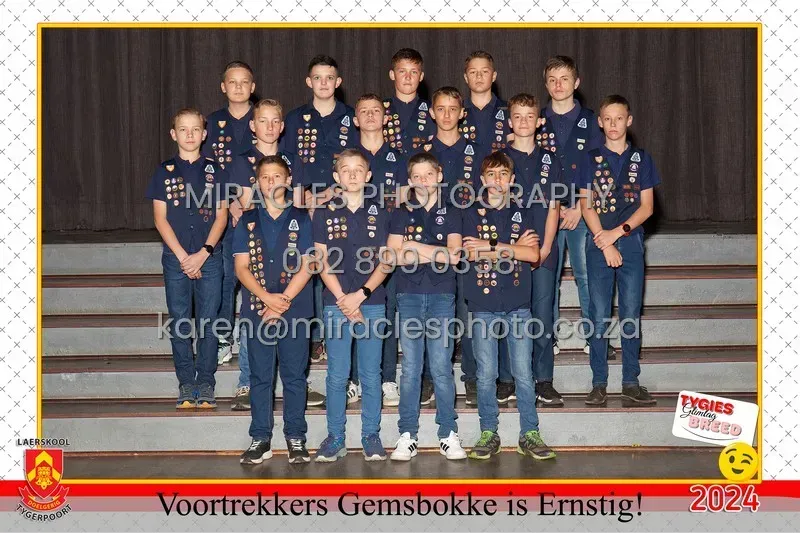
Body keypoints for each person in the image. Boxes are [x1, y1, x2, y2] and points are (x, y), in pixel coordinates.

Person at [228, 99, 325, 410]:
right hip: (258, 242)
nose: (269, 127)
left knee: (293, 320)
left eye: (275, 121)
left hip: (289, 243)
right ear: (253, 125)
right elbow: (248, 206)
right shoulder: (243, 161)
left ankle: (298, 381)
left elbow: (298, 204)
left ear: (282, 127)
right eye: (263, 121)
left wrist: (295, 225)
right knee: (253, 311)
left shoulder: (292, 160)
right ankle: (247, 381)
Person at [461, 151, 556, 461]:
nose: (497, 180)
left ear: (512, 180)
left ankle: (529, 433)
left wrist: (491, 246)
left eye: (503, 174)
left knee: (524, 373)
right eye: (491, 175)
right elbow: (469, 254)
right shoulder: (471, 214)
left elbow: (534, 255)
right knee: (486, 374)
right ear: (482, 179)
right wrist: (513, 248)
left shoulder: (523, 212)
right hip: (483, 303)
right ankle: (489, 432)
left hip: (518, 303)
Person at [579, 95, 660, 407]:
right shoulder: (590, 158)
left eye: (619, 118)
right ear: (600, 122)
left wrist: (617, 234)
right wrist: (605, 240)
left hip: (629, 243)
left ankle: (630, 381)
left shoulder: (642, 159)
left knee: (630, 313)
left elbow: (647, 207)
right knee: (599, 313)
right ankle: (598, 382)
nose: (613, 124)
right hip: (598, 242)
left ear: (629, 121)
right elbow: (586, 205)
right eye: (608, 119)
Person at [281, 54, 359, 373]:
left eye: (329, 78)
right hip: (303, 203)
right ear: (308, 81)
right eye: (318, 77)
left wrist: (332, 193)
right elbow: (287, 162)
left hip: (342, 200)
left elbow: (357, 161)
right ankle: (315, 336)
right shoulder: (295, 118)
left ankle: (342, 329)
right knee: (310, 266)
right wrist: (304, 197)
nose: (324, 83)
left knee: (338, 265)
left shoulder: (351, 117)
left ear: (338, 82)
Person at [145, 108, 228, 409]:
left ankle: (205, 381)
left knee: (208, 321)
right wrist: (184, 257)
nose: (190, 134)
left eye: (195, 129)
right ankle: (185, 382)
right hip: (175, 259)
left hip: (210, 258)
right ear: (173, 134)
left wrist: (203, 254)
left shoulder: (217, 171)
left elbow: (222, 215)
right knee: (180, 321)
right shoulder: (163, 171)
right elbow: (160, 218)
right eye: (183, 129)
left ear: (204, 134)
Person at [312, 149, 391, 462]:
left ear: (368, 175)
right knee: (337, 374)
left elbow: (387, 260)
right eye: (346, 169)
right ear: (336, 177)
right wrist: (344, 299)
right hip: (335, 303)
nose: (353, 174)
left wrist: (360, 295)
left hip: (372, 302)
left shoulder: (382, 211)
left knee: (371, 373)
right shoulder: (324, 212)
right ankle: (336, 437)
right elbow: (320, 260)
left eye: (359, 169)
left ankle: (371, 435)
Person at [235, 156, 314, 464]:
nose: (271, 182)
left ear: (288, 180)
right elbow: (242, 268)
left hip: (294, 310)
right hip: (258, 308)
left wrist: (283, 301)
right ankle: (261, 437)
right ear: (257, 182)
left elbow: (309, 265)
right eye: (265, 177)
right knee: (260, 376)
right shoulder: (247, 220)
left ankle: (296, 436)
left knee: (294, 375)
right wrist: (267, 298)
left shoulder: (302, 218)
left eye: (277, 176)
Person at [387, 152, 467, 461]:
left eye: (428, 175)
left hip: (441, 295)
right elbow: (393, 257)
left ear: (439, 176)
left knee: (441, 366)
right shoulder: (400, 212)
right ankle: (407, 434)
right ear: (409, 181)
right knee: (410, 368)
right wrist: (436, 252)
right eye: (417, 176)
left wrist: (414, 247)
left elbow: (455, 256)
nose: (423, 181)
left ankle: (447, 433)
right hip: (408, 295)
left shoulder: (452, 210)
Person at [425, 86, 490, 406]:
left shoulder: (478, 152)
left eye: (453, 109)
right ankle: (428, 378)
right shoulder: (423, 153)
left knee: (469, 312)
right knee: (433, 315)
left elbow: (488, 198)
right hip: (432, 246)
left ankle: (472, 377)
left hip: (467, 242)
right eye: (441, 108)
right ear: (432, 113)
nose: (447, 115)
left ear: (463, 113)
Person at [537, 55, 605, 357]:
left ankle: (595, 337)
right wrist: (552, 207)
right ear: (546, 84)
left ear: (576, 82)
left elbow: (600, 168)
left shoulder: (592, 121)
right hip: (546, 210)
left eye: (564, 79)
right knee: (547, 277)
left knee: (586, 275)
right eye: (552, 80)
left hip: (582, 210)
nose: (558, 85)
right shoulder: (536, 119)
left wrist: (579, 206)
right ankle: (547, 339)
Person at [502, 93, 563, 407]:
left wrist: (547, 247)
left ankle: (544, 380)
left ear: (539, 121)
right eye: (518, 116)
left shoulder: (551, 159)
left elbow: (554, 207)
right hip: (509, 251)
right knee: (507, 313)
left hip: (543, 251)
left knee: (541, 316)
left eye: (529, 116)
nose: (523, 122)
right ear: (509, 121)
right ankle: (507, 379)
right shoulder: (499, 159)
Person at [353, 93, 410, 408]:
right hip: (351, 246)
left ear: (386, 118)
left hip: (388, 244)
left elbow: (403, 201)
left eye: (376, 111)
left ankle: (387, 378)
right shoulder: (348, 156)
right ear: (355, 119)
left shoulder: (398, 158)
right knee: (352, 310)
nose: (371, 116)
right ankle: (354, 380)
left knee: (385, 313)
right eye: (364, 111)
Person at [202, 60, 257, 369]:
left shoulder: (263, 118)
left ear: (252, 87)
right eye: (232, 82)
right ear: (223, 87)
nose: (238, 87)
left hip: (258, 210)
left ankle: (258, 334)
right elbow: (207, 170)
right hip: (225, 212)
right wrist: (230, 202)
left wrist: (248, 203)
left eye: (244, 82)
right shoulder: (212, 123)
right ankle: (223, 336)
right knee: (226, 276)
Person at [382, 48, 436, 154]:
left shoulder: (433, 110)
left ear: (421, 76)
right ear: (392, 75)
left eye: (414, 72)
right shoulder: (380, 109)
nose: (408, 77)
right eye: (402, 71)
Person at [460, 51, 511, 154]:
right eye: (473, 72)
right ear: (466, 77)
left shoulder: (509, 110)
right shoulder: (456, 111)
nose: (479, 76)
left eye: (485, 71)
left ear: (494, 76)